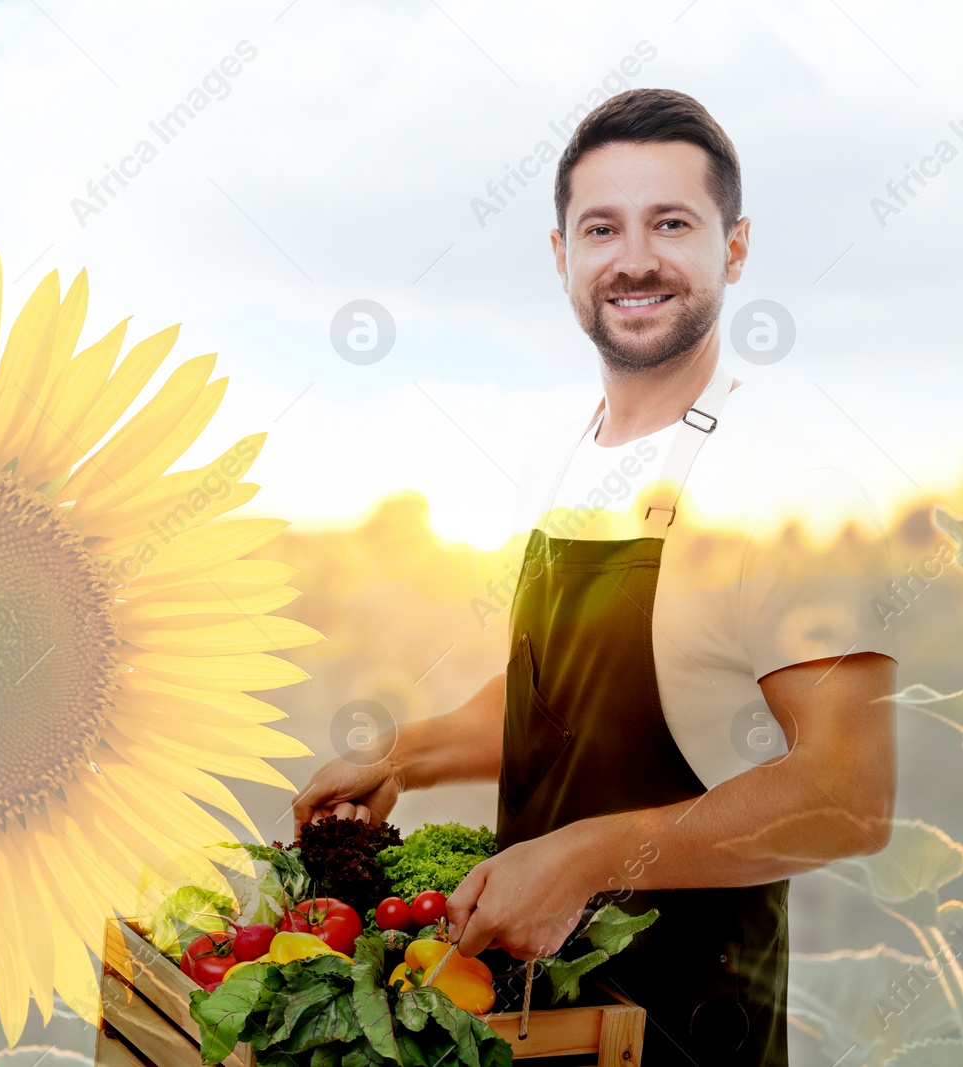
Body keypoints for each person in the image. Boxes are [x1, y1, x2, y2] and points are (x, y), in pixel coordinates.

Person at [293, 88, 899, 1066]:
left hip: (689, 1031)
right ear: (560, 254)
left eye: (671, 222)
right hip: (521, 1023)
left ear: (733, 248)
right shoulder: (563, 463)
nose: (634, 258)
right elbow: (561, 711)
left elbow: (849, 792)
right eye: (601, 227)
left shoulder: (785, 480)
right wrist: (403, 753)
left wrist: (585, 855)